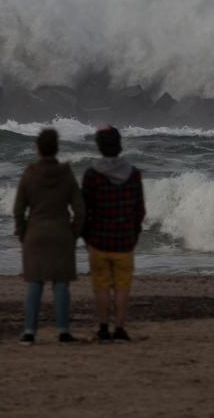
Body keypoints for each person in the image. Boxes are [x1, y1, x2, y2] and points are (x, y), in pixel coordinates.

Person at [13, 128, 86, 345]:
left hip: (35, 234)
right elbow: (80, 210)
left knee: (35, 284)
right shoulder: (66, 174)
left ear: (37, 148)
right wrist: (73, 233)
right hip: (61, 233)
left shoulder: (30, 173)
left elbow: (18, 211)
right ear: (57, 148)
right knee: (61, 284)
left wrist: (24, 234)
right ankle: (63, 331)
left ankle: (29, 332)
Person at [81, 125, 146, 343]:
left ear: (99, 147)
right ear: (119, 145)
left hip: (99, 240)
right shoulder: (133, 174)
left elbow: (84, 209)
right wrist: (134, 233)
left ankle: (102, 329)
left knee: (101, 286)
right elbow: (139, 209)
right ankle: (119, 328)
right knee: (122, 286)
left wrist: (86, 235)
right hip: (124, 241)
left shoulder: (92, 175)